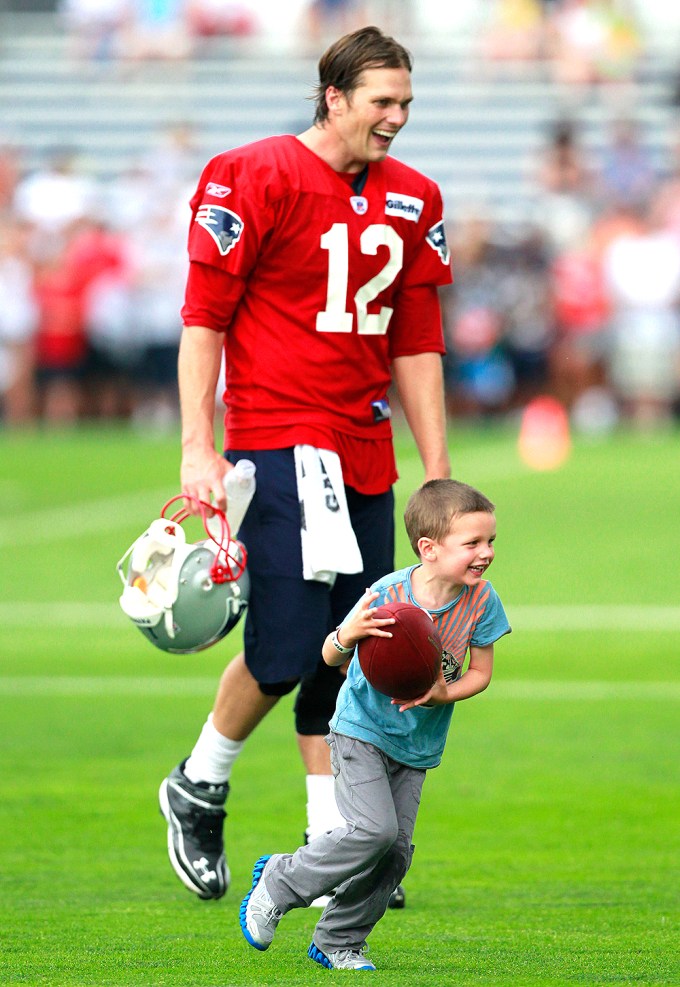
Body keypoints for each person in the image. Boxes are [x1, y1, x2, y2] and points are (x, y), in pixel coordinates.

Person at [158, 25, 453, 911]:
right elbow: (204, 316)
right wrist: (196, 443)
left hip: (363, 444)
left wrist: (436, 469)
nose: (397, 119)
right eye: (382, 103)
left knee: (353, 648)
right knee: (289, 643)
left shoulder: (414, 195)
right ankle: (200, 781)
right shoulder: (253, 173)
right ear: (334, 98)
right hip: (281, 435)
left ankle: (330, 840)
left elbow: (417, 341)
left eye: (406, 103)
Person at [239, 478, 511, 971]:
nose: (486, 552)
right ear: (428, 549)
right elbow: (328, 654)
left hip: (418, 744)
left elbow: (481, 673)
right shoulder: (388, 594)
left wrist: (443, 692)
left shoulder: (482, 601)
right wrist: (350, 632)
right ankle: (280, 881)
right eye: (472, 543)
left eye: (490, 541)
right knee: (374, 830)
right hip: (359, 729)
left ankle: (339, 939)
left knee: (394, 854)